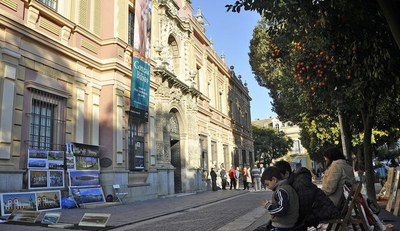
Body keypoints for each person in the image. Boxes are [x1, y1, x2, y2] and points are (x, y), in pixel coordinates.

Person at [274, 160, 339, 229]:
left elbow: (304, 209)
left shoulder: (300, 183)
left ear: (286, 174)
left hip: (324, 212)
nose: (276, 181)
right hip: (318, 211)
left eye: (278, 178)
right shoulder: (294, 182)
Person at [262, 166, 299, 230]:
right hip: (290, 224)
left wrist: (268, 206)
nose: (267, 187)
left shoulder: (280, 191)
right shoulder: (288, 187)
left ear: (274, 179)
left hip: (282, 225)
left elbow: (281, 209)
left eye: (267, 184)